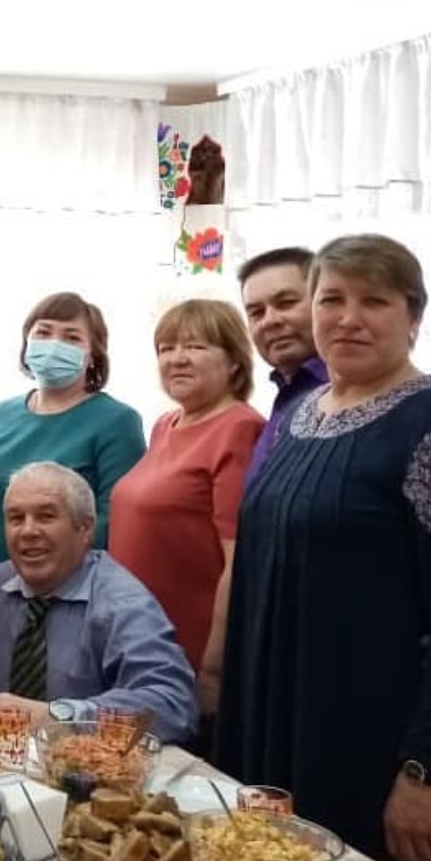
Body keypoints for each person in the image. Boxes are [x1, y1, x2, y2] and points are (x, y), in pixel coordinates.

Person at [216, 234, 431, 861]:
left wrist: (426, 770)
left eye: (374, 301)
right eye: (332, 300)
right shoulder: (300, 416)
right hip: (273, 724)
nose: (348, 318)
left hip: (367, 750)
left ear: (413, 319)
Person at [0, 462, 195, 744]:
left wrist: (60, 718)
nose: (28, 531)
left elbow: (173, 703)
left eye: (46, 516)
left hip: (82, 765)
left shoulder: (123, 603)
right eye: (16, 518)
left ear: (85, 529)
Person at [107, 299, 263, 717]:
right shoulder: (166, 424)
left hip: (186, 651)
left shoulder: (240, 428)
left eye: (195, 346)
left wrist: (213, 668)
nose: (176, 358)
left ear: (234, 361)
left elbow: (240, 561)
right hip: (134, 638)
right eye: (166, 348)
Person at [0, 292, 145, 566]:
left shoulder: (117, 421)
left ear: (93, 355)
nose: (54, 345)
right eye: (44, 332)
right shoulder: (2, 413)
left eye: (71, 337)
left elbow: (117, 523)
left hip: (69, 584)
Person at [238, 246, 328, 486]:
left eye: (286, 303)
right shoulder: (287, 396)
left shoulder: (356, 393)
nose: (270, 321)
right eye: (256, 313)